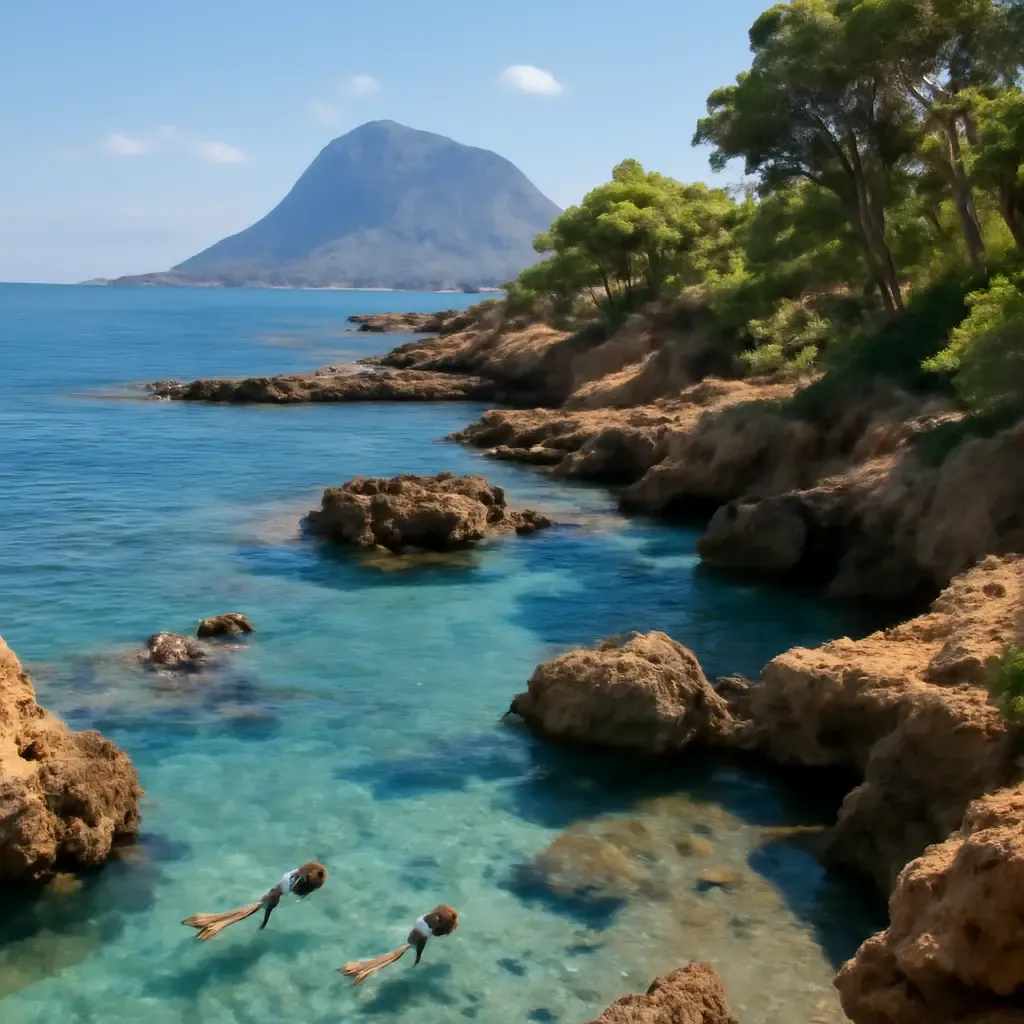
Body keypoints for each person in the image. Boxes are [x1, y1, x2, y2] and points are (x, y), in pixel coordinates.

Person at [181, 861, 327, 941]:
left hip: (275, 890)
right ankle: (261, 927)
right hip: (275, 896)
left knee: (258, 906)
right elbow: (299, 890)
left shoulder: (293, 876)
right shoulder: (295, 886)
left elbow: (304, 872)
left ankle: (258, 924)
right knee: (265, 913)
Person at [339, 904, 459, 984]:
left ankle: (359, 969)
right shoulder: (426, 934)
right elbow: (420, 946)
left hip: (413, 932)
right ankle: (362, 972)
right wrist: (418, 958)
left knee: (383, 959)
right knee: (386, 961)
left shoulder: (429, 916)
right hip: (412, 943)